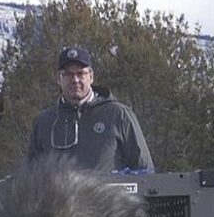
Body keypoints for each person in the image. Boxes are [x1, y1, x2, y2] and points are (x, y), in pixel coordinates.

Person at [27, 46, 155, 175]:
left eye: (80, 73)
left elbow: (144, 170)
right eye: (68, 74)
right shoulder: (43, 122)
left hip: (106, 189)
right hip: (58, 189)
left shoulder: (119, 114)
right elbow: (31, 175)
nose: (75, 80)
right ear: (59, 79)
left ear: (91, 76)